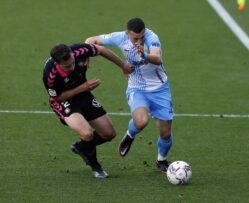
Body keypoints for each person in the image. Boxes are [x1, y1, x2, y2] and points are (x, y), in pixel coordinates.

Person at [85, 17, 174, 172]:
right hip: (137, 88)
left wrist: (144, 54)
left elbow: (157, 57)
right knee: (140, 122)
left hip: (160, 89)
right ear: (127, 33)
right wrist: (86, 56)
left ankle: (161, 160)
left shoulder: (152, 38)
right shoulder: (119, 37)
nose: (138, 41)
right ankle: (130, 135)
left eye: (141, 37)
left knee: (165, 133)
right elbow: (91, 40)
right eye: (135, 38)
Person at [42, 43, 133, 178]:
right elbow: (58, 97)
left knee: (109, 134)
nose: (72, 67)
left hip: (83, 94)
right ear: (57, 63)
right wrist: (83, 87)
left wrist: (123, 65)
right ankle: (96, 166)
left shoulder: (78, 51)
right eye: (67, 66)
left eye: (73, 62)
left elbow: (101, 50)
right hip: (64, 101)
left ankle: (81, 147)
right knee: (87, 133)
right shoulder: (50, 75)